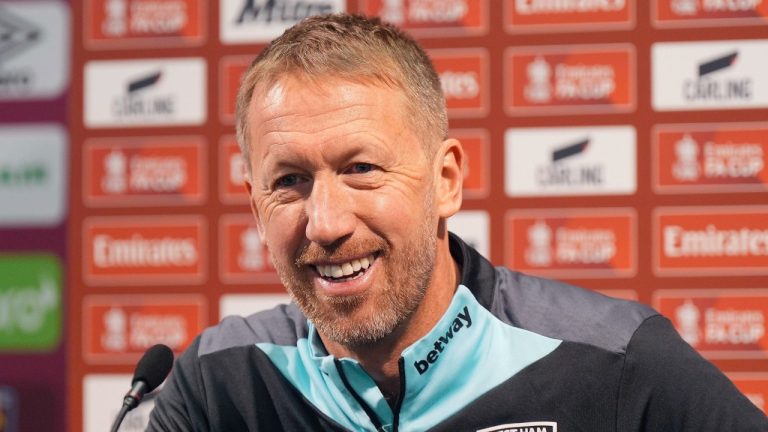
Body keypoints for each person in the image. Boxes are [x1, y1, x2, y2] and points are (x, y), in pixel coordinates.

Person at [147, 14, 767, 431]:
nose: (326, 223)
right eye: (289, 182)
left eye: (362, 168)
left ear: (445, 182)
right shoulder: (216, 382)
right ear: (256, 207)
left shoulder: (611, 360)